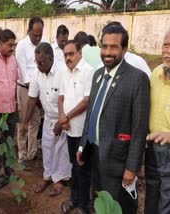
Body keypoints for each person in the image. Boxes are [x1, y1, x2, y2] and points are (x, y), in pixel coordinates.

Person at [77, 24, 150, 214]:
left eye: (114, 47)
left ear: (124, 49)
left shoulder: (138, 79)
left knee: (119, 207)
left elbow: (139, 128)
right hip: (95, 155)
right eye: (105, 46)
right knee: (100, 202)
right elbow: (91, 114)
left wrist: (132, 168)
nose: (108, 52)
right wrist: (83, 145)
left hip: (119, 162)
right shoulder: (98, 75)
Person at [145, 26, 170, 214]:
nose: (169, 51)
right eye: (166, 45)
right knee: (152, 199)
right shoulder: (155, 74)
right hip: (152, 150)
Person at [21, 42, 71, 196]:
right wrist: (25, 123)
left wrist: (62, 121)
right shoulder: (36, 74)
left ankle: (59, 180)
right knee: (48, 147)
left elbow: (68, 98)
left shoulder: (63, 71)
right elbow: (31, 99)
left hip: (65, 118)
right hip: (49, 117)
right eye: (36, 62)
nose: (38, 65)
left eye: (41, 62)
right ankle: (47, 176)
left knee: (63, 151)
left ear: (51, 59)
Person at [58, 40, 94, 214]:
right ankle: (74, 199)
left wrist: (67, 116)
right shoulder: (65, 73)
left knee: (83, 166)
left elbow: (86, 102)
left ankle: (84, 206)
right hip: (69, 128)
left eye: (71, 54)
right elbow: (61, 97)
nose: (68, 58)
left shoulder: (88, 72)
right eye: (65, 55)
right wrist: (61, 118)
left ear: (80, 53)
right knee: (73, 164)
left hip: (82, 130)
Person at [15, 16, 47, 168]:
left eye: (40, 35)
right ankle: (22, 156)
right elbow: (23, 74)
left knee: (35, 121)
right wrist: (36, 94)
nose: (38, 38)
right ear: (28, 31)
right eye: (35, 35)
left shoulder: (43, 44)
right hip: (25, 89)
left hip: (39, 89)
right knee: (23, 121)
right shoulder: (21, 46)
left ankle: (31, 154)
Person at [0, 29, 18, 191]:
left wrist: (16, 107)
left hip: (11, 110)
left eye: (14, 45)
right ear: (0, 43)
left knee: (9, 141)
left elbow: (14, 83)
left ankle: (8, 169)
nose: (12, 48)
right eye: (10, 45)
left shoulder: (13, 60)